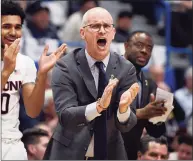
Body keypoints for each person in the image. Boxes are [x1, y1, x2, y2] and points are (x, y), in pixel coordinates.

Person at [43, 7, 139, 160]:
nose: (102, 31)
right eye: (95, 26)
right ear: (82, 33)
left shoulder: (126, 69)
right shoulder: (65, 66)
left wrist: (123, 109)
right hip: (69, 152)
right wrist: (99, 106)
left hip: (111, 153)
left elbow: (127, 124)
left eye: (107, 26)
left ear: (113, 33)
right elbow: (66, 116)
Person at [1, 0, 66, 160]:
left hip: (13, 143)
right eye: (6, 26)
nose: (13, 32)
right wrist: (6, 72)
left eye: (17, 27)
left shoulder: (26, 63)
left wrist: (42, 74)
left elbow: (33, 111)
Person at [122, 31, 168, 159]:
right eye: (139, 45)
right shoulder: (107, 72)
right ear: (126, 46)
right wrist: (142, 113)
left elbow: (156, 132)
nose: (144, 51)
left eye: (149, 48)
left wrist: (157, 117)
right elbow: (103, 114)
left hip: (130, 153)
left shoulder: (150, 84)